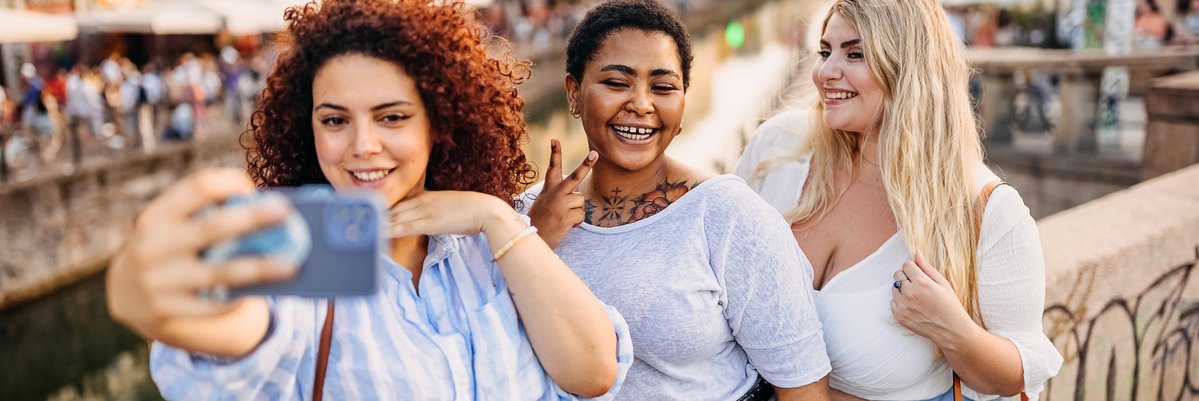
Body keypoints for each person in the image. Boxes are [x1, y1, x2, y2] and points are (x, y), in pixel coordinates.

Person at [105, 0, 632, 399]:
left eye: (392, 117)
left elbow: (593, 372)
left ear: (438, 124)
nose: (362, 146)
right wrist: (162, 303)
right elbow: (245, 334)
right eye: (335, 120)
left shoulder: (488, 244)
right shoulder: (305, 261)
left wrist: (495, 217)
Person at [734, 1, 1063, 400]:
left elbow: (1018, 376)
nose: (824, 72)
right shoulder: (779, 146)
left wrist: (952, 329)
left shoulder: (984, 208)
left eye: (854, 54)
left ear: (908, 67)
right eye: (826, 51)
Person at [523, 1, 831, 400]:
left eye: (663, 87)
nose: (641, 104)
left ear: (683, 102)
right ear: (574, 93)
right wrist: (531, 241)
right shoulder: (523, 215)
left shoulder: (728, 216)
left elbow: (803, 389)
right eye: (617, 83)